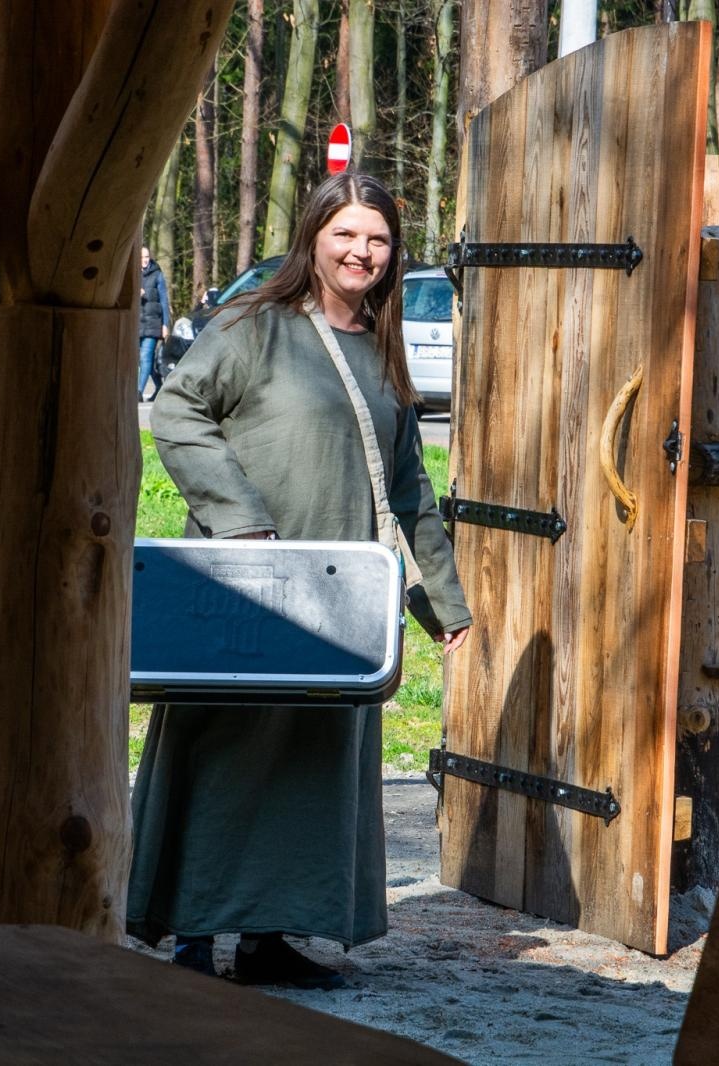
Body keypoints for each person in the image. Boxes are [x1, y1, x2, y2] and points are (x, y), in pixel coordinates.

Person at [128, 173, 472, 990]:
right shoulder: (254, 325)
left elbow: (408, 486)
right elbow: (178, 411)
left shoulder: (381, 346)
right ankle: (194, 936)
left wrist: (442, 604)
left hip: (337, 603)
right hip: (245, 590)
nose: (362, 252)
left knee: (310, 762)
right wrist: (241, 519)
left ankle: (268, 937)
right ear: (314, 235)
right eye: (347, 234)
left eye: (379, 240)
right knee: (227, 752)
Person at [138, 246, 170, 400]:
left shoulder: (157, 275)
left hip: (153, 323)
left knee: (145, 357)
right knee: (144, 362)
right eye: (141, 257)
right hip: (136, 324)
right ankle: (159, 386)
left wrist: (165, 325)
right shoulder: (132, 275)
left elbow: (164, 301)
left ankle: (138, 392)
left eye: (146, 257)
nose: (144, 260)